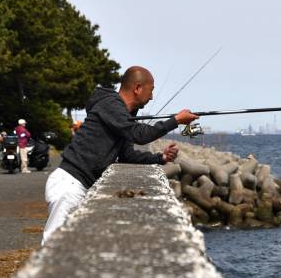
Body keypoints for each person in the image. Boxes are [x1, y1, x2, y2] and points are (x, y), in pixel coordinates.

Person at [42, 66, 198, 245]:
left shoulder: (120, 114)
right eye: (151, 90)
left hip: (79, 186)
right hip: (70, 185)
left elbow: (126, 155)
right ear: (137, 88)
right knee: (54, 247)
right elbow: (140, 134)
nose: (152, 96)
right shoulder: (111, 105)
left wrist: (160, 158)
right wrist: (175, 120)